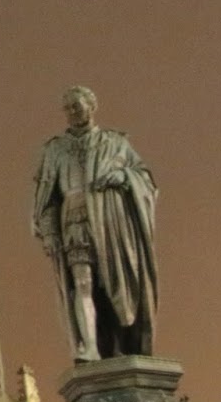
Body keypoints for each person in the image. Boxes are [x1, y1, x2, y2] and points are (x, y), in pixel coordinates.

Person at [32, 86, 158, 363]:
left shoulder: (115, 142)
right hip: (74, 219)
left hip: (111, 221)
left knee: (115, 281)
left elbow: (145, 177)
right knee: (82, 282)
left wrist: (124, 177)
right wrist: (50, 232)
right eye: (67, 108)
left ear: (91, 106)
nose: (71, 112)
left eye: (76, 106)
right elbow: (46, 197)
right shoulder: (55, 149)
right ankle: (89, 347)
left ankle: (122, 343)